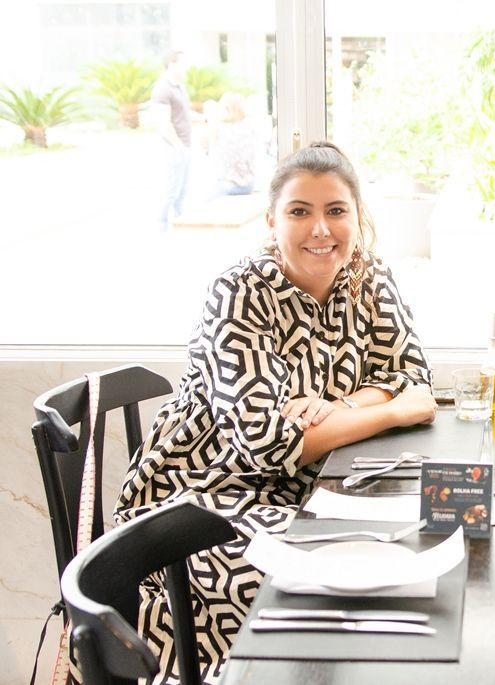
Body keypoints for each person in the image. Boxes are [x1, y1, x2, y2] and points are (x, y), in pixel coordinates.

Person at [114, 141, 437, 683]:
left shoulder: (369, 277)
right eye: (299, 211)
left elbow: (413, 378)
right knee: (333, 577)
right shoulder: (239, 292)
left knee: (402, 548)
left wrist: (341, 406)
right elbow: (269, 446)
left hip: (307, 486)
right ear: (271, 220)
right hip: (204, 494)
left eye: (336, 211)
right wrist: (390, 413)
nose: (320, 229)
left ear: (358, 217)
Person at [152, 50, 192, 231]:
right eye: (183, 63)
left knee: (182, 191)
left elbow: (184, 114)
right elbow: (164, 123)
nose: (186, 67)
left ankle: (179, 225)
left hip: (184, 145)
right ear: (172, 64)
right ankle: (161, 227)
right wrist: (178, 146)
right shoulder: (163, 88)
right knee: (171, 191)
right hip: (173, 147)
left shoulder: (179, 87)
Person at [208, 91, 257, 196]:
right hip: (249, 185)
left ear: (225, 109)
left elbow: (211, 154)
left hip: (228, 185)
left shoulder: (219, 129)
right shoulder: (249, 128)